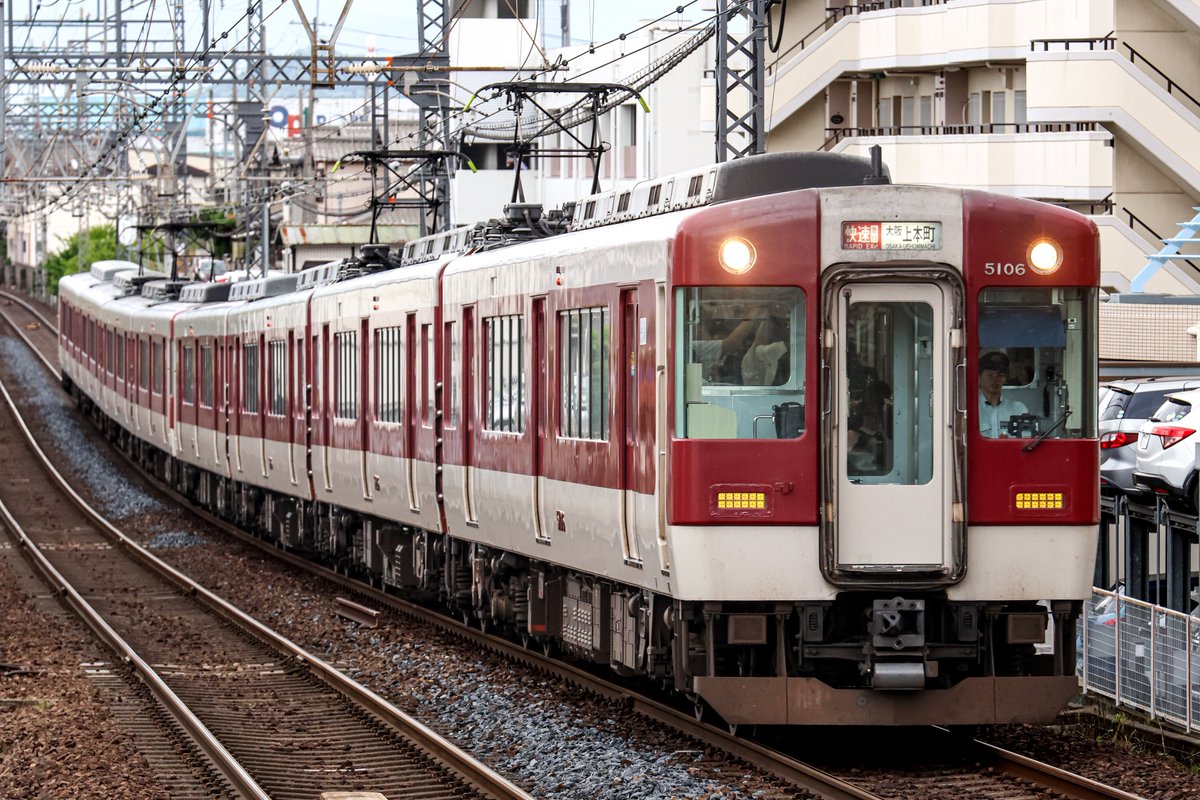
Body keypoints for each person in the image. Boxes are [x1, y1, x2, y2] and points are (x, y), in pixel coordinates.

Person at [978, 351, 1027, 437]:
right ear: (979, 378)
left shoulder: (1019, 409)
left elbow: (1026, 441)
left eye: (1000, 375)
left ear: (1004, 379)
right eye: (990, 375)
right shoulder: (971, 410)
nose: (995, 379)